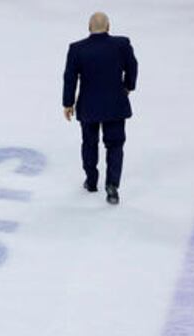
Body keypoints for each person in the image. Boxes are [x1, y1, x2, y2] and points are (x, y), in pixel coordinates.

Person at [63, 12, 138, 205]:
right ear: (108, 26)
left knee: (89, 143)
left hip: (89, 106)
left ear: (89, 28)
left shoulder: (77, 49)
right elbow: (132, 66)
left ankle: (92, 180)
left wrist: (68, 103)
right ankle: (112, 186)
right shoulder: (121, 45)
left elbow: (70, 78)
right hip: (115, 105)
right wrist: (128, 86)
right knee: (115, 145)